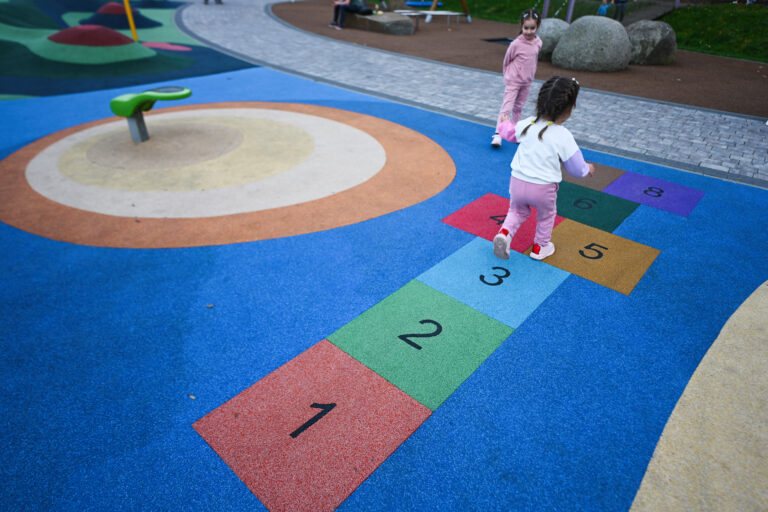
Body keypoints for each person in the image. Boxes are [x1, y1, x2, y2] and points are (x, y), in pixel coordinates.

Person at [492, 76, 595, 261]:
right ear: (569, 110)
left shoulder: (528, 123)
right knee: (547, 215)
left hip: (517, 181)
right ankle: (540, 247)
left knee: (516, 211)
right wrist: (587, 169)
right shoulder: (563, 136)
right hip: (543, 188)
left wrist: (504, 122)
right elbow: (575, 168)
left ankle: (504, 234)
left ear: (539, 102)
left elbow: (508, 133)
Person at [491, 9, 542, 149]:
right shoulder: (516, 44)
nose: (529, 31)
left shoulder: (538, 43)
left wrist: (530, 75)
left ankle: (516, 132)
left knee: (519, 107)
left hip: (527, 81)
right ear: (521, 27)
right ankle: (498, 134)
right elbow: (507, 60)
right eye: (526, 28)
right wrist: (508, 75)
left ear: (537, 27)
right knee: (506, 108)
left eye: (532, 28)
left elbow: (534, 60)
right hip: (514, 80)